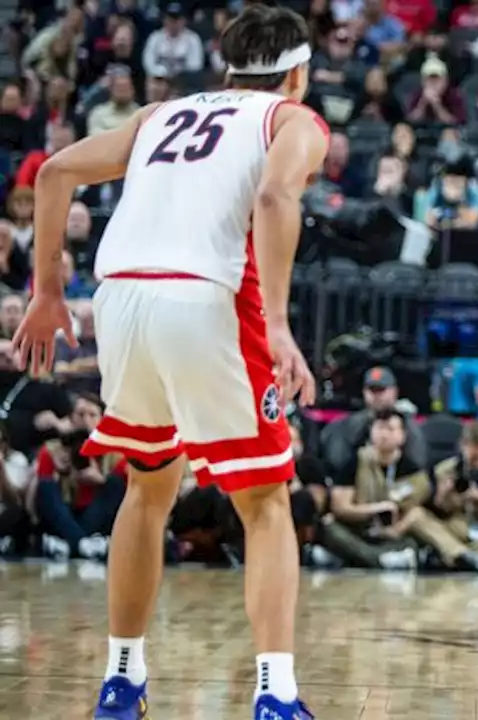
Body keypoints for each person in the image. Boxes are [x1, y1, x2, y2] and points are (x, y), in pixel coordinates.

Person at [14, 6, 329, 719]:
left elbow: (58, 170)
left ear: (227, 66)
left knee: (148, 489)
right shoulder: (291, 120)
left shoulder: (163, 112)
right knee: (267, 501)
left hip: (120, 298)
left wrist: (46, 293)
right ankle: (276, 695)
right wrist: (278, 324)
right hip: (205, 298)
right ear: (299, 74)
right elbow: (278, 195)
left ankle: (122, 680)